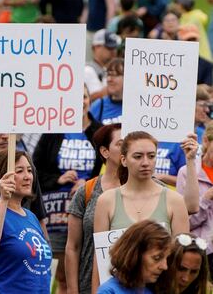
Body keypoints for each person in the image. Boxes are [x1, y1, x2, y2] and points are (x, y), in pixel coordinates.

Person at [93, 131, 193, 291]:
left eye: (151, 156)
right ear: (124, 160)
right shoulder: (107, 201)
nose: (146, 162)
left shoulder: (175, 201)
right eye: (138, 156)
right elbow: (99, 259)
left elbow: (179, 258)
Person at [33, 86, 101, 293]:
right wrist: (58, 178)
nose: (80, 102)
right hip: (56, 214)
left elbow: (110, 169)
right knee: (59, 274)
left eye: (84, 97)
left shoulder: (99, 132)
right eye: (75, 97)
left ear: (90, 100)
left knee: (86, 271)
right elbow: (35, 169)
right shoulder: (53, 132)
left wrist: (88, 182)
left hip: (90, 209)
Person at [0, 150, 52, 293]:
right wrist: (4, 199)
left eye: (29, 171)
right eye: (19, 171)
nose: (28, 177)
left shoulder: (31, 217)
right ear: (2, 176)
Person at [65, 123, 122, 294]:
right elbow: (72, 247)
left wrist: (190, 160)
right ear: (105, 151)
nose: (127, 148)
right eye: (120, 144)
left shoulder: (146, 188)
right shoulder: (87, 191)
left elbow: (191, 205)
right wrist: (73, 291)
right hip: (88, 286)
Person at [177, 120, 213, 276]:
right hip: (199, 254)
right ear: (206, 141)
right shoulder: (187, 172)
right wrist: (206, 198)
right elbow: (183, 222)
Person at [97, 220, 171, 293]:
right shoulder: (108, 291)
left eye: (166, 259)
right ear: (135, 255)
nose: (165, 267)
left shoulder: (153, 290)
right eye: (156, 258)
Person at [84, 30, 120, 100]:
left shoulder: (106, 69)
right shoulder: (87, 70)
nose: (113, 51)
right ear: (96, 47)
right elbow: (90, 99)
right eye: (109, 47)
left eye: (115, 47)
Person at [89, 57, 123, 124]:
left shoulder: (135, 106)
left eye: (114, 75)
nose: (109, 79)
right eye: (108, 75)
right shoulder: (99, 105)